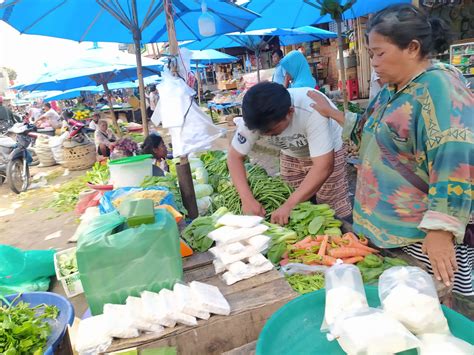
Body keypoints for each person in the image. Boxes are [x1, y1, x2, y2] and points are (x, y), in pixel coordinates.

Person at [308, 4, 473, 296]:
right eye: (371, 53)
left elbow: (456, 159)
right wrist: (332, 114)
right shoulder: (391, 89)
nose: (373, 62)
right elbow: (371, 133)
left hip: (421, 236)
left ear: (412, 48)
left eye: (379, 53)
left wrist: (441, 231)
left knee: (440, 303)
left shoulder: (440, 88)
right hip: (387, 233)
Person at [228, 82, 352, 225]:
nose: (267, 136)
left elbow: (324, 166)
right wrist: (247, 199)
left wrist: (289, 206)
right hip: (291, 152)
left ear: (290, 112)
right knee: (292, 201)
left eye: (272, 132)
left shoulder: (312, 108)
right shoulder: (255, 117)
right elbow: (234, 157)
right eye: (262, 133)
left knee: (331, 206)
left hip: (328, 150)